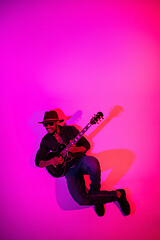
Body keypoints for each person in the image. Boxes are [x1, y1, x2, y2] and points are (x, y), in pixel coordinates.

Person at [35, 110, 130, 217]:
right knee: (80, 199)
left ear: (57, 122)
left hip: (80, 161)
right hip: (68, 171)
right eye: (45, 124)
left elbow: (86, 145)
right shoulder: (46, 140)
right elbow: (38, 162)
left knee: (93, 162)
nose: (47, 126)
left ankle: (96, 197)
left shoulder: (70, 130)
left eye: (50, 123)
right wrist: (52, 161)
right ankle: (117, 195)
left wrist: (76, 150)